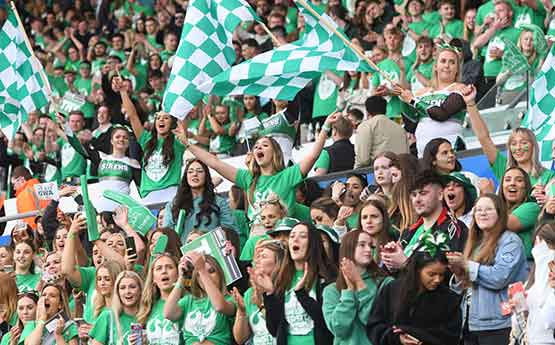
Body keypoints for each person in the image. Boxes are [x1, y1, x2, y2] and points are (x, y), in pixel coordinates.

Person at [177, 112, 341, 222]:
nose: (258, 148)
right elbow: (215, 162)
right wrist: (187, 144)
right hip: (255, 244)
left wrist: (326, 127)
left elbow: (312, 156)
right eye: (256, 146)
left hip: (281, 241)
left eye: (264, 145)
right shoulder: (248, 178)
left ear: (275, 153)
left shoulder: (287, 176)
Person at [448, 194, 528, 345]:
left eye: (488, 209)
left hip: (500, 324)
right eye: (478, 210)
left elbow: (499, 277)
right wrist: (459, 275)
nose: (482, 213)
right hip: (471, 322)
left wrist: (466, 264)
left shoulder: (510, 241)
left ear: (500, 213)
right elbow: (463, 289)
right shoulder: (474, 243)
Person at [367, 233, 462, 345]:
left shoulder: (448, 299)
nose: (437, 280)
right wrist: (397, 338)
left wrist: (418, 336)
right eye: (431, 274)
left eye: (441, 275)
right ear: (417, 270)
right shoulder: (392, 290)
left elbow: (451, 335)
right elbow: (375, 326)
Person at [257, 222, 336, 345]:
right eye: (292, 236)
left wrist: (302, 294)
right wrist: (270, 294)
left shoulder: (327, 278)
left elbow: (328, 323)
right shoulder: (282, 278)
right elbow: (274, 329)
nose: (295, 239)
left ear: (313, 244)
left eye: (303, 236)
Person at [463, 84, 555, 189]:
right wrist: (470, 103)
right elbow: (484, 138)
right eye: (513, 144)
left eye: (524, 143)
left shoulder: (548, 176)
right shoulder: (504, 168)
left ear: (533, 146)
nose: (518, 148)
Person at [381, 170, 468, 271]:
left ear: (440, 195)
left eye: (423, 193)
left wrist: (405, 264)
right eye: (414, 195)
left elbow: (446, 274)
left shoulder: (454, 228)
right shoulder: (408, 232)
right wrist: (391, 262)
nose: (417, 200)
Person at [121, 78, 186, 205]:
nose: (161, 120)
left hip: (171, 195)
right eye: (158, 118)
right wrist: (123, 92)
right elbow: (133, 116)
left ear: (172, 123)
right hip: (148, 197)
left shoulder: (177, 142)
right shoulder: (146, 140)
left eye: (166, 118)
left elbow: (182, 120)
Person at [396, 44, 468, 157]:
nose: (447, 66)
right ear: (435, 66)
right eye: (443, 61)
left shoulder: (461, 89)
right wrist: (402, 98)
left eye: (452, 62)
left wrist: (413, 101)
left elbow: (441, 114)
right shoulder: (421, 92)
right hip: (423, 153)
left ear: (457, 69)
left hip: (451, 151)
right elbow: (411, 120)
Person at [323, 230, 392, 345]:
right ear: (348, 247)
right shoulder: (331, 290)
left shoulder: (386, 283)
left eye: (371, 246)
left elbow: (372, 321)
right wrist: (348, 292)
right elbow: (338, 329)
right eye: (362, 245)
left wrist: (359, 283)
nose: (368, 249)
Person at [164, 252, 236, 345]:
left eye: (211, 271)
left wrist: (202, 270)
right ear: (196, 279)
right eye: (199, 274)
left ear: (220, 274)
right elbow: (168, 314)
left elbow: (219, 307)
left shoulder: (230, 299)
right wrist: (181, 278)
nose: (207, 276)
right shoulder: (188, 301)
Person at [232, 239, 291, 345]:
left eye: (263, 257)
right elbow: (240, 339)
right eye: (257, 257)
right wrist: (242, 311)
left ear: (278, 263)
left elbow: (278, 328)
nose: (257, 261)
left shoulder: (288, 291)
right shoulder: (250, 293)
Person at [163, 159, 236, 242]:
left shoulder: (219, 202)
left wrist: (204, 237)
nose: (195, 174)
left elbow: (230, 232)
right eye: (190, 172)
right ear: (185, 177)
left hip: (210, 252)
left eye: (200, 171)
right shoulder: (173, 205)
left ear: (206, 176)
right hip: (182, 253)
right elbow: (167, 236)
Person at [88, 271, 145, 345]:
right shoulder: (108, 316)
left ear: (140, 290)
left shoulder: (148, 316)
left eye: (132, 287)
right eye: (122, 288)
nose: (127, 291)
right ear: (117, 292)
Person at [136, 253, 181, 345]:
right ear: (153, 279)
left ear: (178, 274)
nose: (164, 271)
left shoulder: (187, 301)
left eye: (169, 267)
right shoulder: (148, 307)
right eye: (159, 268)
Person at [497, 167, 540, 260]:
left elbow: (503, 224)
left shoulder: (532, 207)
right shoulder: (499, 210)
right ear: (502, 186)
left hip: (525, 268)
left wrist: (488, 196)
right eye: (507, 180)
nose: (512, 183)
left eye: (519, 180)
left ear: (526, 186)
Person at [522, 222, 555, 345]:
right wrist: (519, 304)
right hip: (531, 339)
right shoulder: (536, 274)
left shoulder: (548, 270)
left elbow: (549, 321)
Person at [354, 96, 408, 168]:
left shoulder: (365, 126)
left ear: (367, 111)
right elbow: (407, 156)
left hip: (374, 173)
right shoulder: (400, 129)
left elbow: (363, 160)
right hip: (400, 171)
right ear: (385, 109)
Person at [358, 199, 399, 268]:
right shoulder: (353, 246)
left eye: (374, 216)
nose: (368, 221)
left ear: (384, 219)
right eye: (364, 217)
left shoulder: (394, 246)